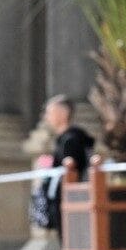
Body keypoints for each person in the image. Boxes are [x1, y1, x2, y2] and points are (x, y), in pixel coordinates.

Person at [31, 95, 95, 233]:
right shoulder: (65, 138)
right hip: (63, 199)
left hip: (70, 199)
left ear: (63, 113)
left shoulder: (71, 139)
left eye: (50, 112)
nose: (47, 117)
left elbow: (71, 165)